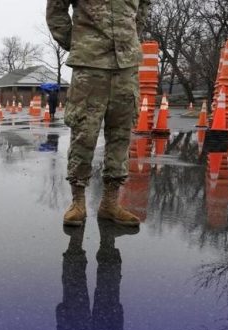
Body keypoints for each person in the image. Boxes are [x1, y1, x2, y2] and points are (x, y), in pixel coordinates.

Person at [47, 0, 152, 226]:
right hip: (89, 64)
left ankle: (110, 203)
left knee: (121, 134)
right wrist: (77, 43)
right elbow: (56, 10)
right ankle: (78, 202)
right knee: (84, 132)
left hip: (126, 65)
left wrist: (130, 36)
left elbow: (144, 6)